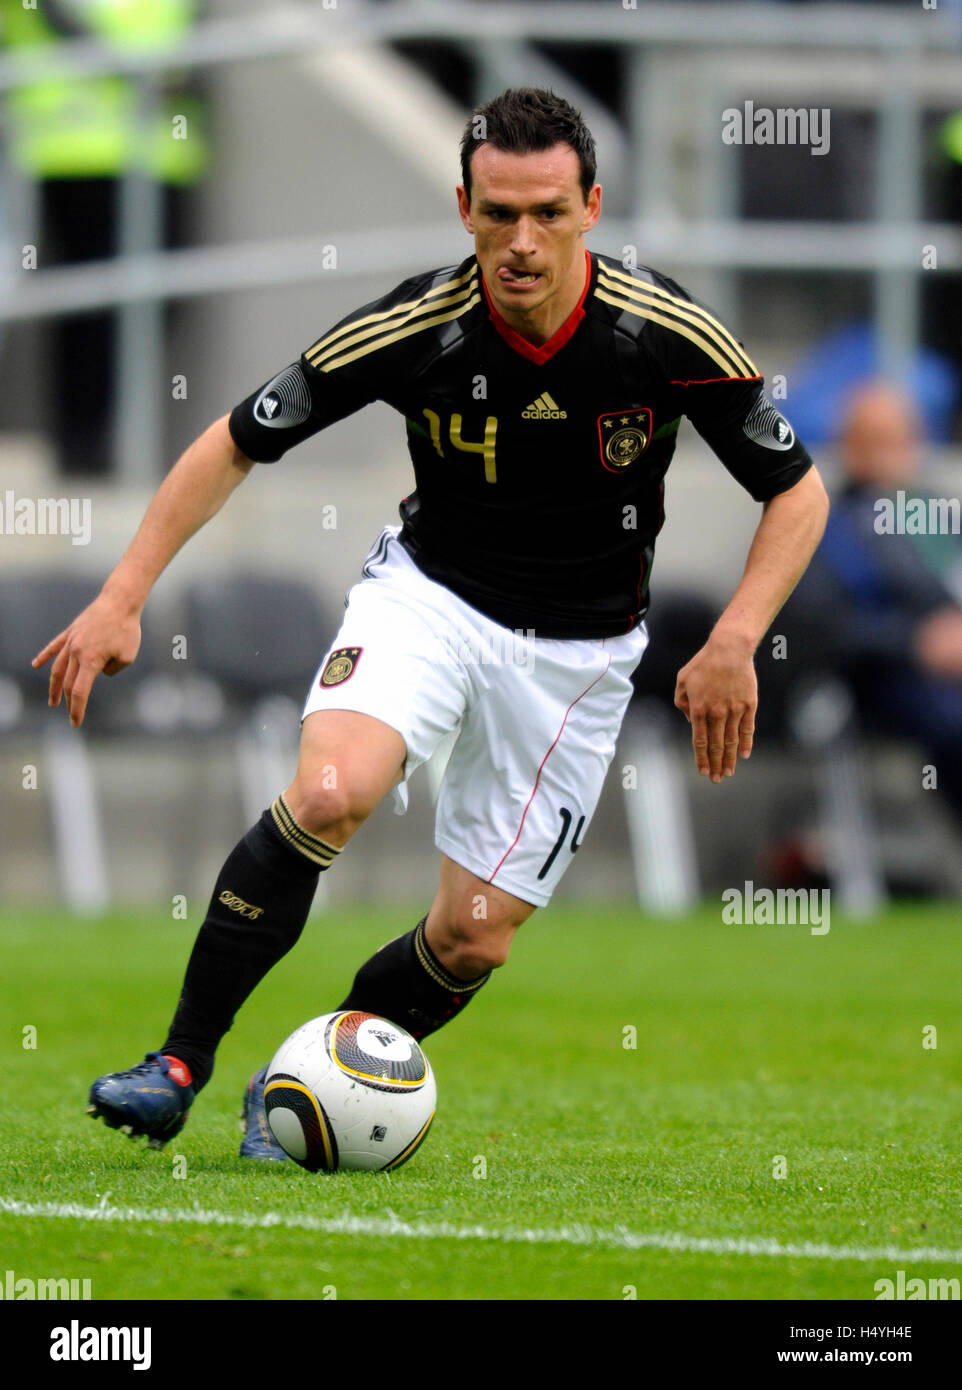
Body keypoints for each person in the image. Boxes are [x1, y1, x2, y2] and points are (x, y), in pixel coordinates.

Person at [33, 89, 829, 1159]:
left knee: (473, 935)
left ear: (592, 205)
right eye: (498, 213)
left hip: (581, 657)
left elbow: (797, 489)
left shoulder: (658, 334)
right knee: (328, 792)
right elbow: (232, 438)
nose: (521, 241)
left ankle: (299, 1083)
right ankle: (175, 1062)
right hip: (429, 598)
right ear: (463, 208)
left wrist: (733, 637)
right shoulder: (417, 326)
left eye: (547, 211)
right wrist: (123, 593)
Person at [785, 381, 962, 827]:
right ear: (850, 447)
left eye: (902, 440)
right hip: (891, 678)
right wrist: (915, 642)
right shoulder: (831, 527)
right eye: (876, 442)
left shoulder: (939, 518)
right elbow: (817, 625)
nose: (892, 454)